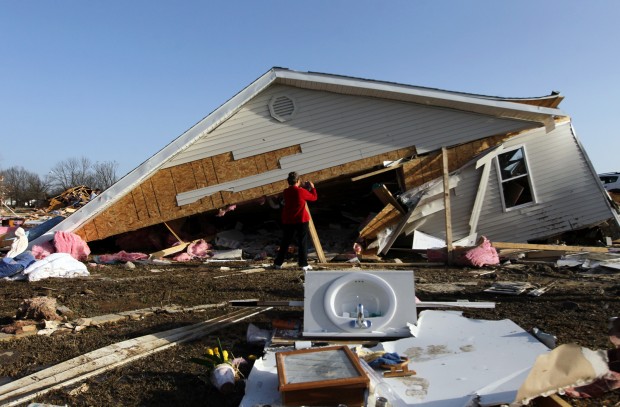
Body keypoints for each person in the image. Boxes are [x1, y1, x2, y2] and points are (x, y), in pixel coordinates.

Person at [273, 172, 318, 271]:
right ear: (298, 181)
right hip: (301, 219)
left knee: (285, 241)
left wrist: (303, 188)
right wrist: (313, 187)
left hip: (289, 220)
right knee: (302, 242)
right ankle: (303, 264)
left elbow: (296, 194)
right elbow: (314, 198)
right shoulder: (301, 191)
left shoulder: (286, 192)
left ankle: (278, 263)